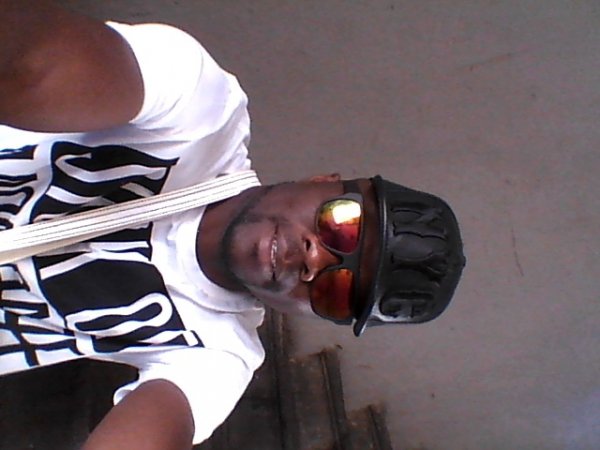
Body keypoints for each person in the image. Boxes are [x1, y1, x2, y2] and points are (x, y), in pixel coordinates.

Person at [0, 1, 465, 449]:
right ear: (323, 180)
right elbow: (35, 62)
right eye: (343, 224)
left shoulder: (219, 356)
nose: (316, 259)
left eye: (339, 289)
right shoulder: (199, 111)